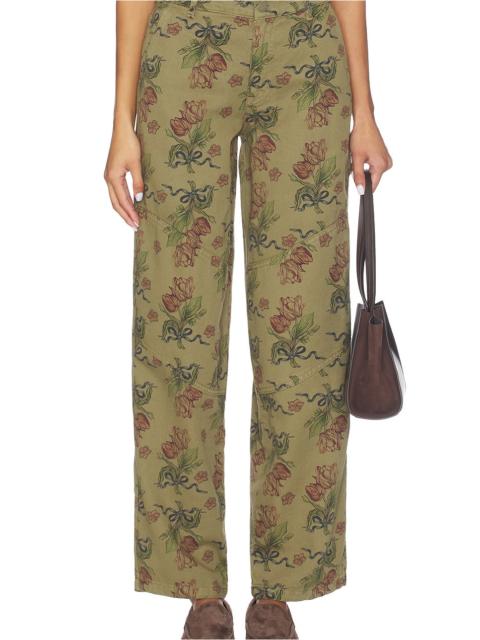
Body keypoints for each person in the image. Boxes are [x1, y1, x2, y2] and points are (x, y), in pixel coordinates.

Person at [104, 1, 392, 638]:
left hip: (303, 49)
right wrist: (122, 121)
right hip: (186, 44)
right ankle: (198, 587)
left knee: (305, 335)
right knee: (177, 323)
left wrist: (365, 112)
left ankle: (281, 588)